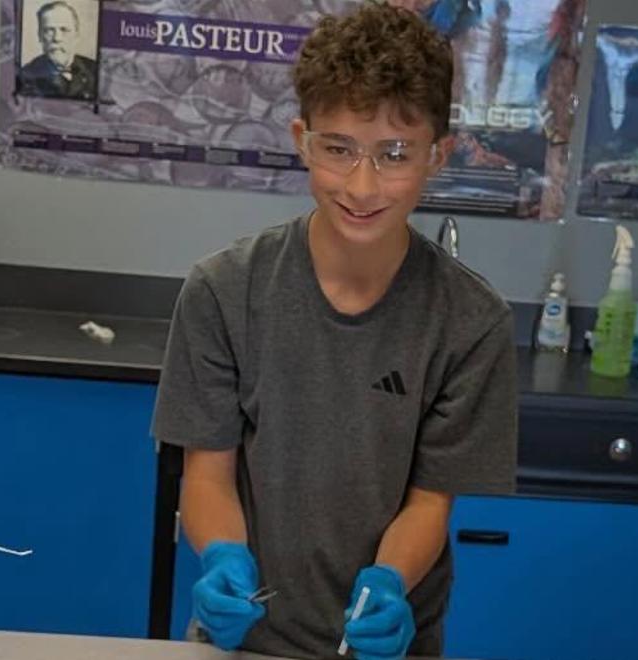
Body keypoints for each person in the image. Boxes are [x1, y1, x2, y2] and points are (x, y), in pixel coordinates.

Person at [152, 4, 517, 659]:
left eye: (394, 155)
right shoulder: (223, 290)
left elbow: (430, 503)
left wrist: (390, 582)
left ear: (438, 153)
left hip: (386, 644)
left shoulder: (469, 320)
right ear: (302, 139)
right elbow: (206, 476)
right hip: (245, 638)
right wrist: (223, 557)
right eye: (338, 149)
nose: (361, 184)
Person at [15, 1, 97, 101]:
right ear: (40, 36)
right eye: (49, 30)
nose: (57, 38)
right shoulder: (25, 76)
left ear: (76, 35)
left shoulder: (94, 70)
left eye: (64, 30)